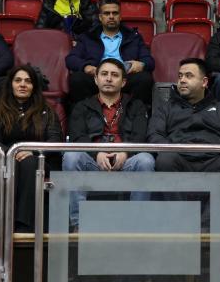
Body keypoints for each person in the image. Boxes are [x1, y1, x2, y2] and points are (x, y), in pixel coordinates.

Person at [63, 58, 155, 228]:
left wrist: (125, 152)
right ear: (96, 79)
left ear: (123, 82)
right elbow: (77, 138)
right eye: (104, 74)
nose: (109, 78)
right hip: (93, 162)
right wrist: (96, 153)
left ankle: (138, 224)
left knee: (145, 159)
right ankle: (78, 224)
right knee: (71, 156)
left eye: (115, 75)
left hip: (126, 161)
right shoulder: (81, 106)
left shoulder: (136, 105)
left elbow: (140, 136)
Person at [0, 65, 62, 233]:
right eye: (18, 80)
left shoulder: (46, 110)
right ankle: (8, 222)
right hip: (2, 159)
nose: (23, 85)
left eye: (28, 81)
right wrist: (12, 153)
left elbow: (55, 140)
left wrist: (33, 151)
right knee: (15, 164)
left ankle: (22, 225)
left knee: (29, 163)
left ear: (34, 86)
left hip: (38, 160)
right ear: (11, 84)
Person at [148, 58, 220, 172]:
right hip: (178, 159)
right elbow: (155, 135)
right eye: (180, 76)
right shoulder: (165, 108)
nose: (182, 80)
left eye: (188, 76)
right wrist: (172, 149)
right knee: (165, 159)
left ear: (204, 82)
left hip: (215, 160)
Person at [66, 0, 155, 106]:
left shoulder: (133, 37)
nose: (111, 16)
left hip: (124, 77)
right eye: (107, 13)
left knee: (144, 79)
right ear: (100, 17)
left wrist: (142, 64)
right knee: (77, 79)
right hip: (97, 77)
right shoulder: (87, 37)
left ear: (120, 17)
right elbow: (71, 59)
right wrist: (86, 67)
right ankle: (87, 114)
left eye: (115, 13)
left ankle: (134, 114)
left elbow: (149, 61)